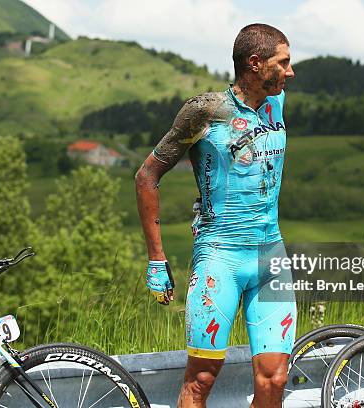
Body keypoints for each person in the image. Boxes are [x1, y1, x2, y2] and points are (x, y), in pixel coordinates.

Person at [135, 23, 296, 408]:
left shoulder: (277, 102)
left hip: (270, 256)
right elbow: (147, 176)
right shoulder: (204, 111)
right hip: (219, 257)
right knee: (202, 379)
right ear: (255, 64)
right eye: (284, 62)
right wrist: (156, 259)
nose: (290, 72)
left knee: (275, 378)